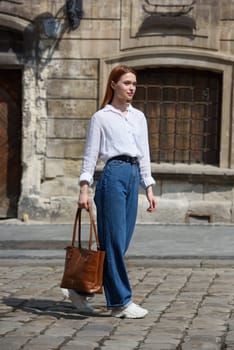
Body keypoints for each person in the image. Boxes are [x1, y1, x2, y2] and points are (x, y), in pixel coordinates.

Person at [63, 65, 157, 318]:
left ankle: (81, 290)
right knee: (114, 242)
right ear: (113, 84)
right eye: (127, 83)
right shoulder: (101, 118)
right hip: (112, 175)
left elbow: (144, 153)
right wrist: (84, 190)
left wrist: (148, 186)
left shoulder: (139, 117)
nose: (132, 88)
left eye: (134, 84)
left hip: (133, 175)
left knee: (119, 243)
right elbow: (90, 157)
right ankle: (121, 303)